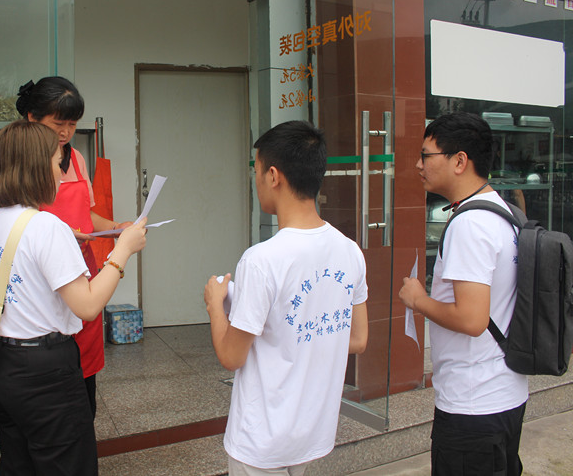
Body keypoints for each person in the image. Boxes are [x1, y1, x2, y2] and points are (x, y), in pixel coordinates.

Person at [0, 120, 146, 475]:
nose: (60, 172)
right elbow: (88, 306)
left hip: (2, 365)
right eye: (55, 161)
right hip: (48, 374)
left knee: (18, 465)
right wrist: (122, 251)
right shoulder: (46, 227)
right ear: (35, 168)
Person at [203, 120, 369, 475]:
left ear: (274, 176)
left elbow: (231, 356)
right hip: (311, 434)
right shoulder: (350, 251)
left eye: (257, 171)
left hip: (261, 441)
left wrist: (216, 305)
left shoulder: (261, 260)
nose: (256, 180)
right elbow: (357, 339)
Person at [0, 76, 130, 417]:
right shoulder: (10, 162)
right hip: (36, 285)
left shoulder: (77, 159)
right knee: (49, 380)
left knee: (81, 377)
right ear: (32, 118)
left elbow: (88, 214)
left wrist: (117, 228)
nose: (66, 133)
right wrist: (55, 235)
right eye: (58, 124)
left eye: (72, 125)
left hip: (79, 274)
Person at [399, 112, 528, 475]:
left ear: (459, 161)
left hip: (473, 405)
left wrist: (418, 299)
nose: (418, 165)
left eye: (426, 155)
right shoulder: (503, 212)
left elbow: (472, 320)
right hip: (505, 392)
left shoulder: (470, 224)